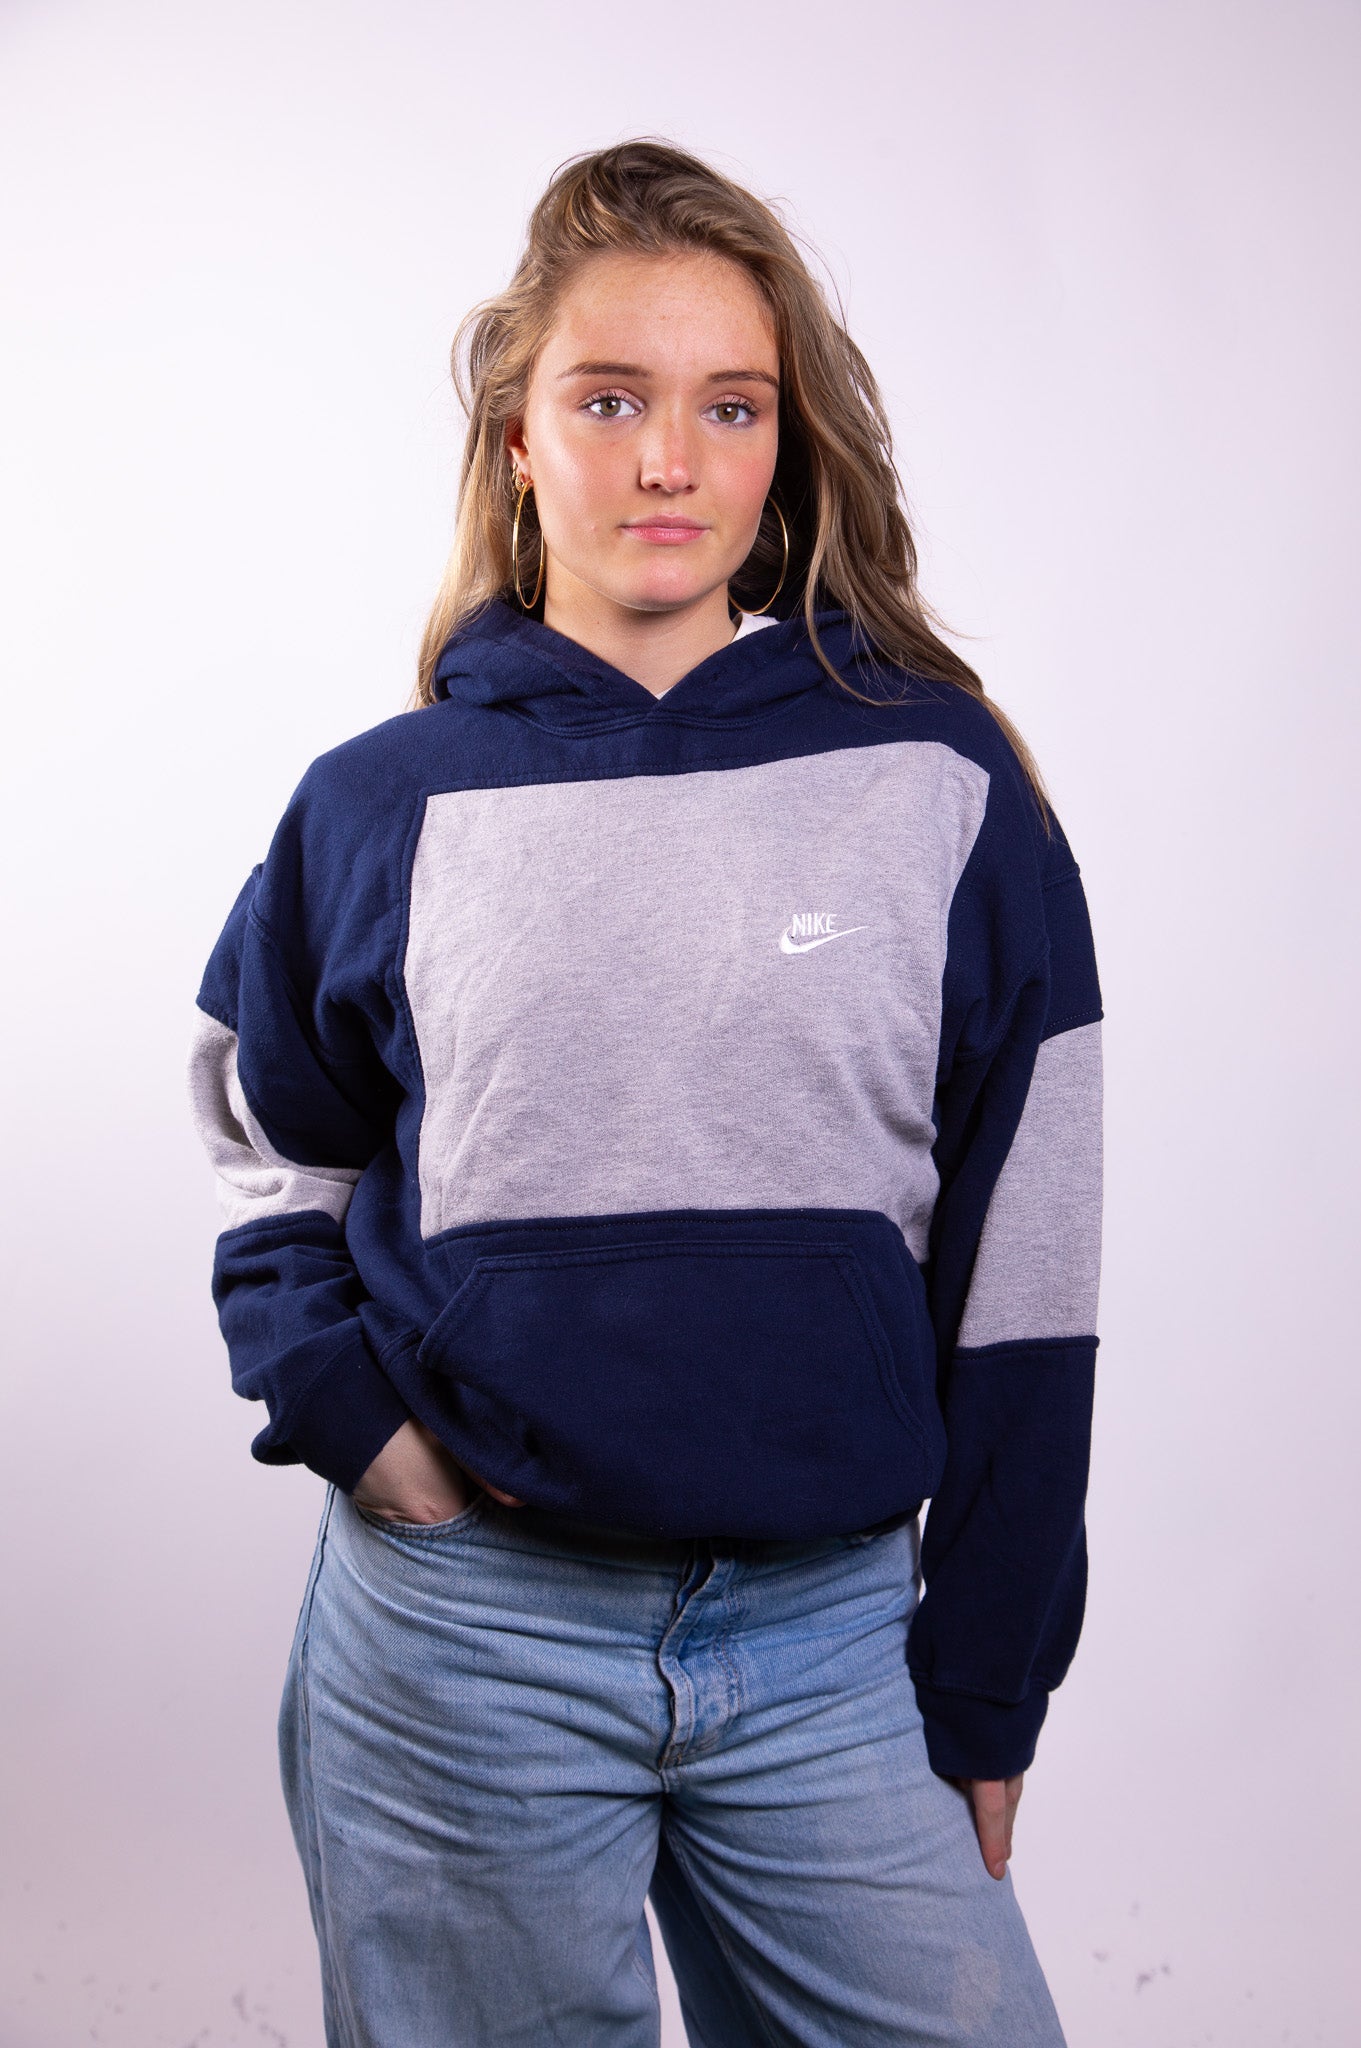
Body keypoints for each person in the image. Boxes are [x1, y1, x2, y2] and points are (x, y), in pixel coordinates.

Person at [188, 139, 1102, 2048]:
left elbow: (1029, 1257)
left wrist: (990, 1662)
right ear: (518, 442)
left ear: (784, 451)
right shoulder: (379, 800)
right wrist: (356, 1420)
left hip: (834, 1643)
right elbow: (276, 1152)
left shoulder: (938, 785)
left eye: (727, 407)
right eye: (608, 401)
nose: (667, 461)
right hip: (468, 1637)